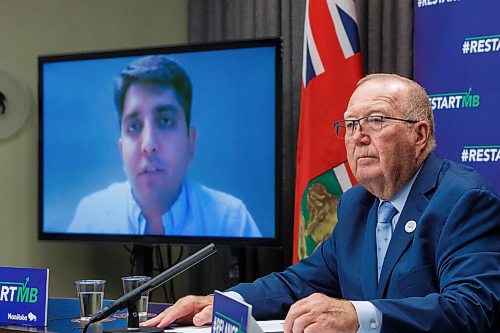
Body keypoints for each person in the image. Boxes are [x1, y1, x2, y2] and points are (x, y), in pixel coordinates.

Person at [142, 74, 500, 332]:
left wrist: (358, 316)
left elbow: (473, 309)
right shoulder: (357, 204)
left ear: (419, 135)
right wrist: (222, 301)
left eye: (375, 121)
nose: (358, 137)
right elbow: (298, 282)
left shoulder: (463, 200)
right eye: (349, 124)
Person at [68, 56, 261, 237]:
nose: (149, 145)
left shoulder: (231, 219)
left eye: (165, 121)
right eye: (134, 126)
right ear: (121, 150)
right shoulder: (91, 217)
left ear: (190, 143)